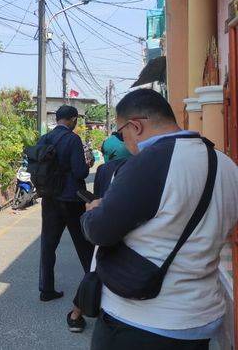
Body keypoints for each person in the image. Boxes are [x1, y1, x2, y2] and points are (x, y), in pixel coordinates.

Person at [80, 89, 238, 349]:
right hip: (200, 317)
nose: (123, 142)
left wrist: (93, 211)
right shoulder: (226, 165)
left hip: (142, 321)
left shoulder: (151, 162)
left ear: (136, 126)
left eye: (121, 134)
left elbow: (99, 230)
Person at [66, 133, 131, 333]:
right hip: (132, 226)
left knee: (95, 270)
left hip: (105, 225)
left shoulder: (104, 169)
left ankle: (76, 315)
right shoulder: (139, 166)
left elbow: (98, 197)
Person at [37, 105, 93, 302]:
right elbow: (80, 172)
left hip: (49, 197)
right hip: (71, 198)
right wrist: (88, 165)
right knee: (84, 244)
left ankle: (46, 289)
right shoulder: (72, 139)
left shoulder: (45, 138)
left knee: (48, 244)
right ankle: (93, 289)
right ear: (72, 119)